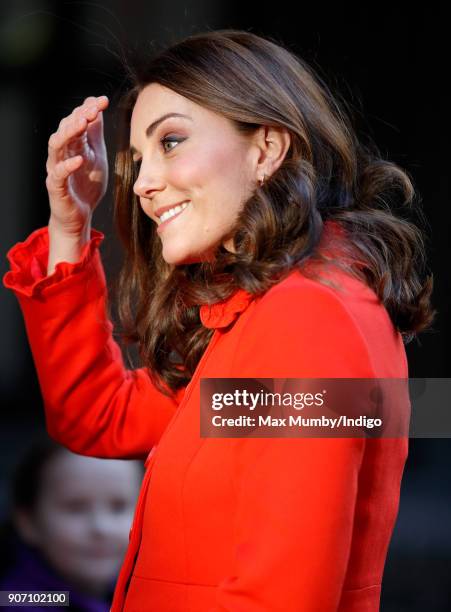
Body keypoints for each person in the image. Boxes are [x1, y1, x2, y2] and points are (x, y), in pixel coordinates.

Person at [3, 29, 435, 611]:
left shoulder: (307, 321)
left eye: (172, 142)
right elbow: (99, 417)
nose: (145, 185)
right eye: (138, 161)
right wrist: (69, 227)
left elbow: (283, 598)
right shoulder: (277, 310)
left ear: (266, 150)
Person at [0, 436, 143, 611]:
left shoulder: (143, 590)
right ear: (27, 522)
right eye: (75, 507)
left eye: (118, 507)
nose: (101, 527)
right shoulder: (18, 601)